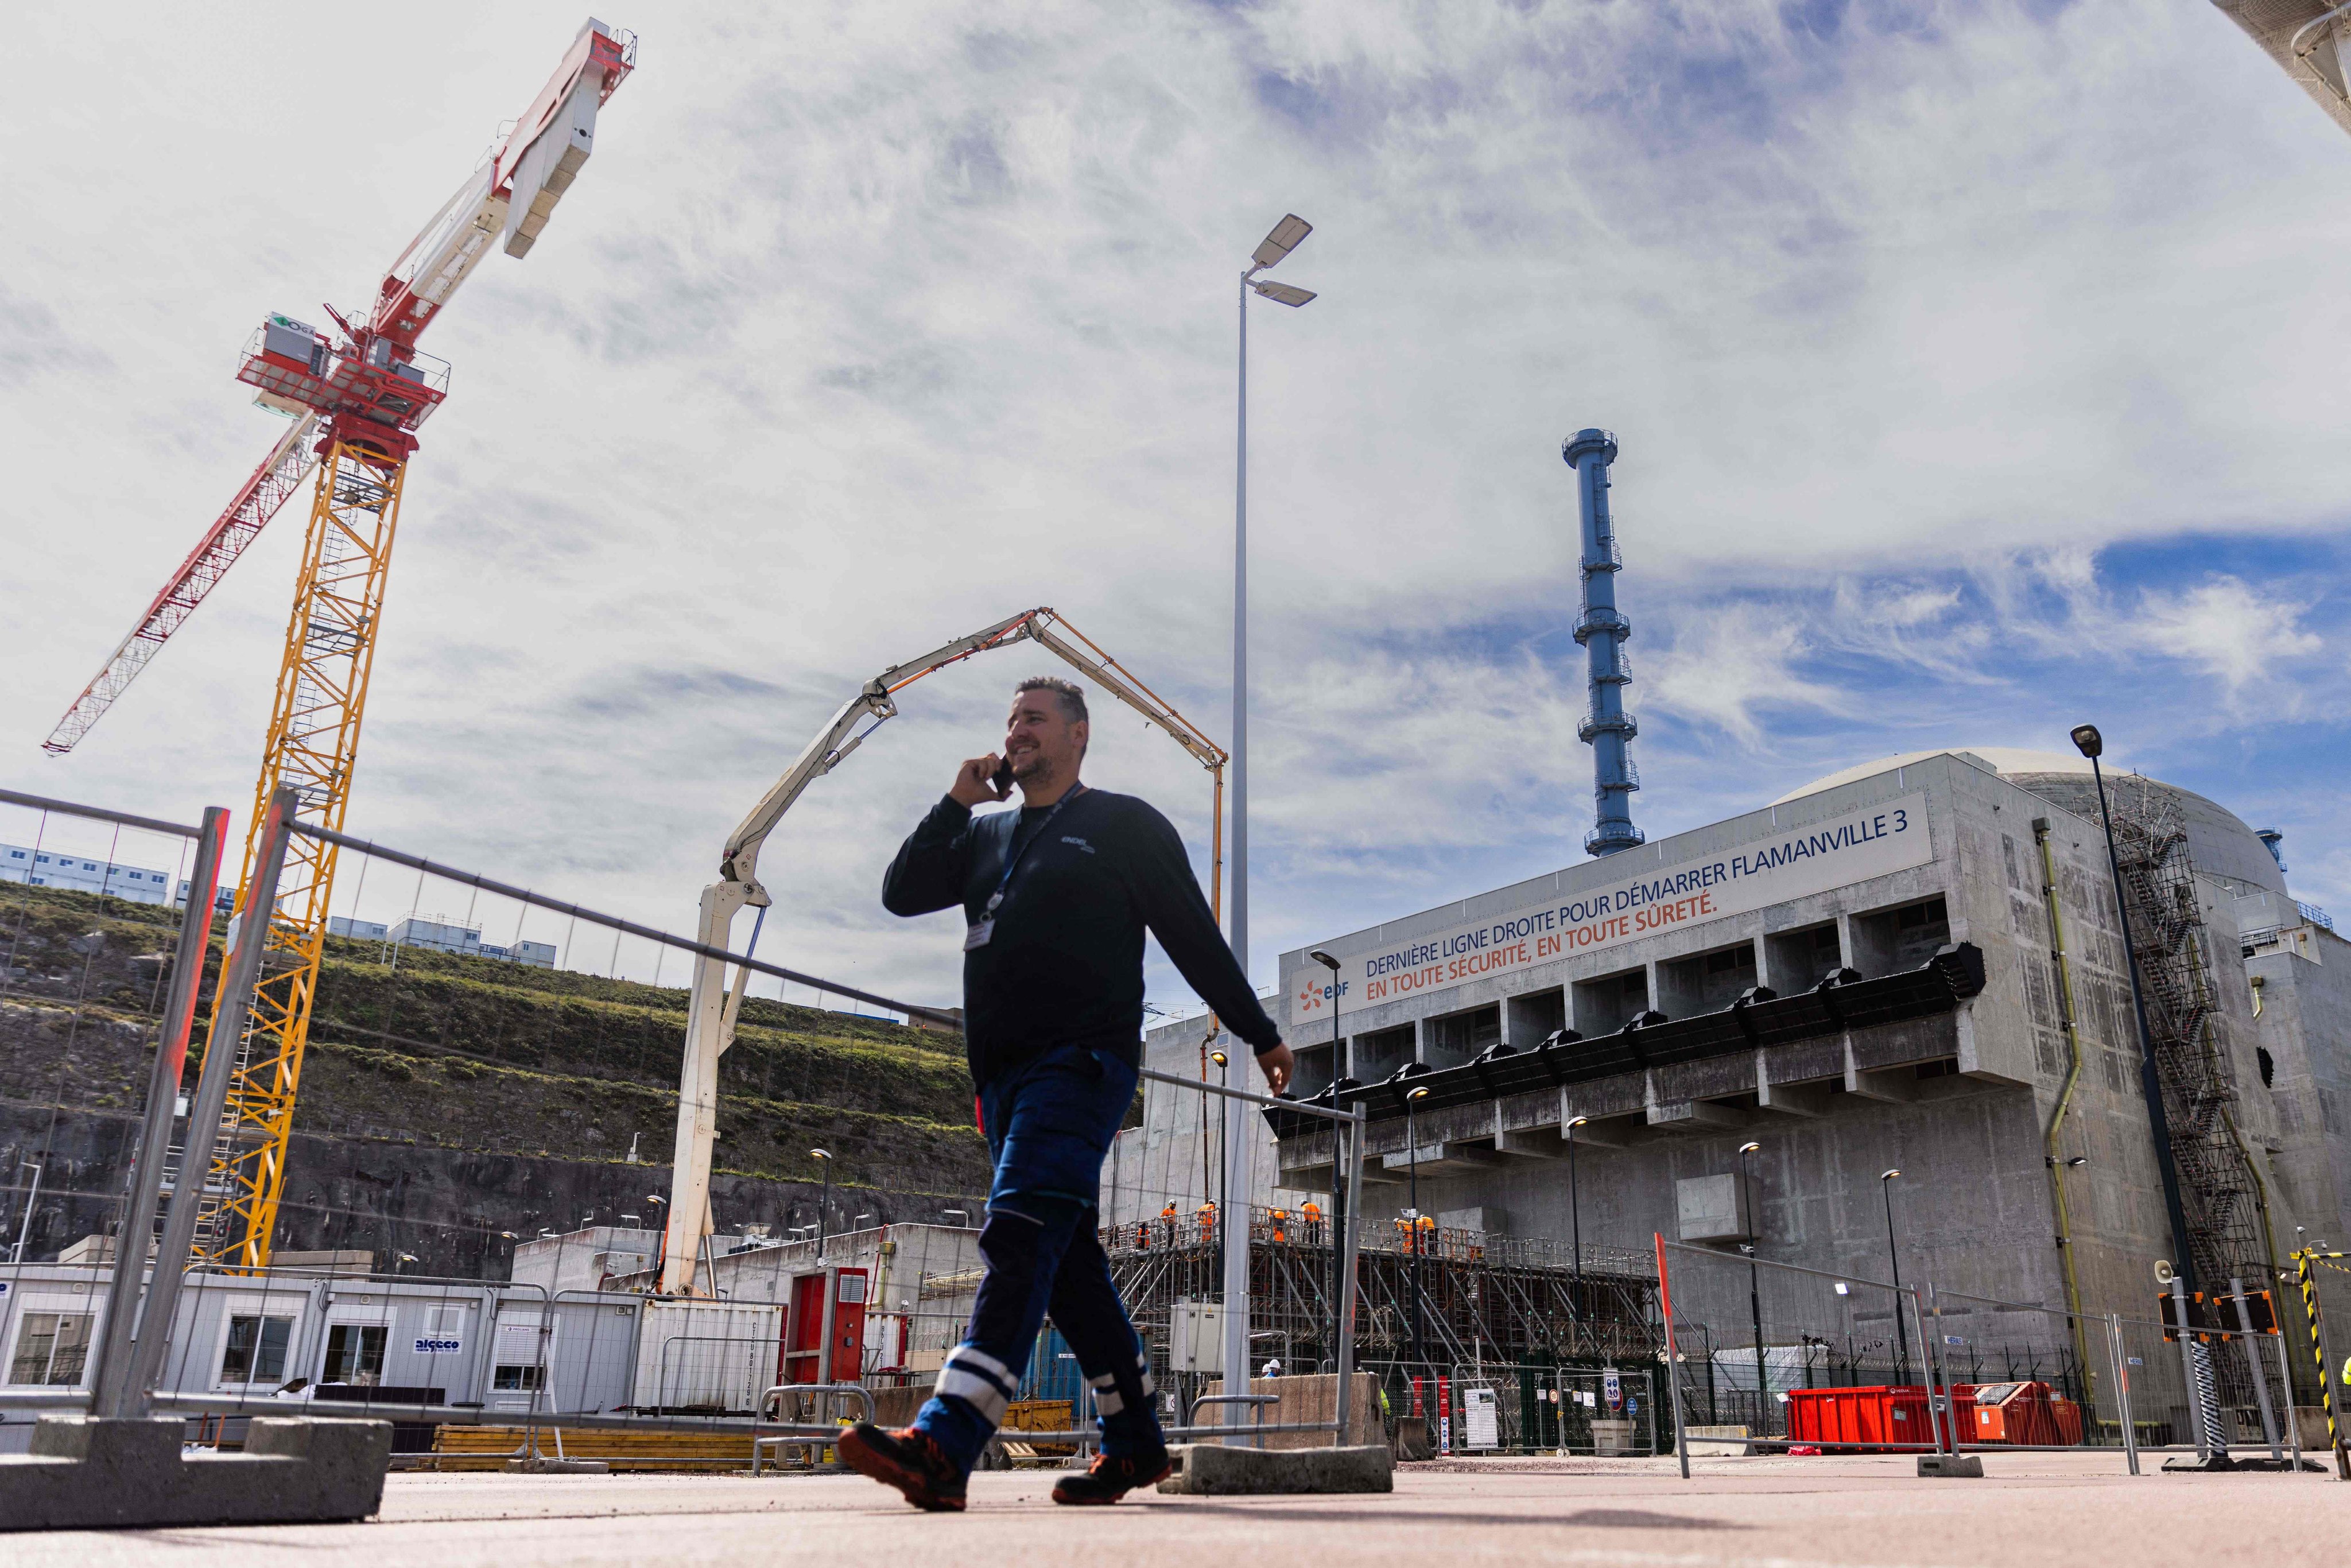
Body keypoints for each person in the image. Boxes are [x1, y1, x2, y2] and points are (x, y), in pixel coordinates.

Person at [839, 676, 1291, 1512]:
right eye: (1011, 719)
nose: (1017, 733)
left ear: (1079, 737)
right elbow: (900, 894)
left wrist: (1256, 1031)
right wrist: (954, 801)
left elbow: (1191, 932)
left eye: (1035, 721)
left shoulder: (1123, 826)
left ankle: (948, 1441)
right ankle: (1138, 1445)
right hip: (1002, 1083)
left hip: (1082, 1064)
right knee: (1071, 1268)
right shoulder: (985, 833)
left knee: (1017, 1231)